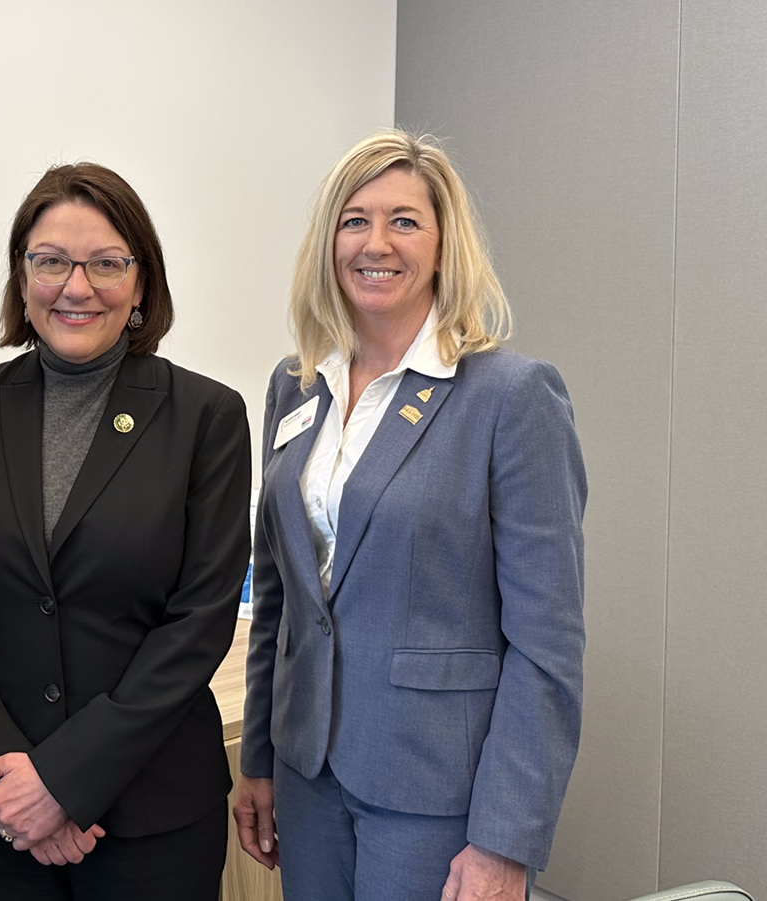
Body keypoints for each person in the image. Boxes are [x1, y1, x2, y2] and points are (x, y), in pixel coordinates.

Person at [232, 128, 586, 901]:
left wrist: (506, 839)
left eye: (404, 221)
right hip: (307, 772)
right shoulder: (295, 386)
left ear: (443, 244)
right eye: (354, 220)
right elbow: (279, 598)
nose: (376, 243)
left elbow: (547, 642)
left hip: (434, 789)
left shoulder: (509, 396)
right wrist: (257, 756)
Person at [0, 163, 251, 900]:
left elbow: (199, 622)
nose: (76, 286)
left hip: (152, 814)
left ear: (142, 282)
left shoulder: (207, 418)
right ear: (22, 276)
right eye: (52, 261)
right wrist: (16, 776)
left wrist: (64, 780)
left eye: (106, 263)